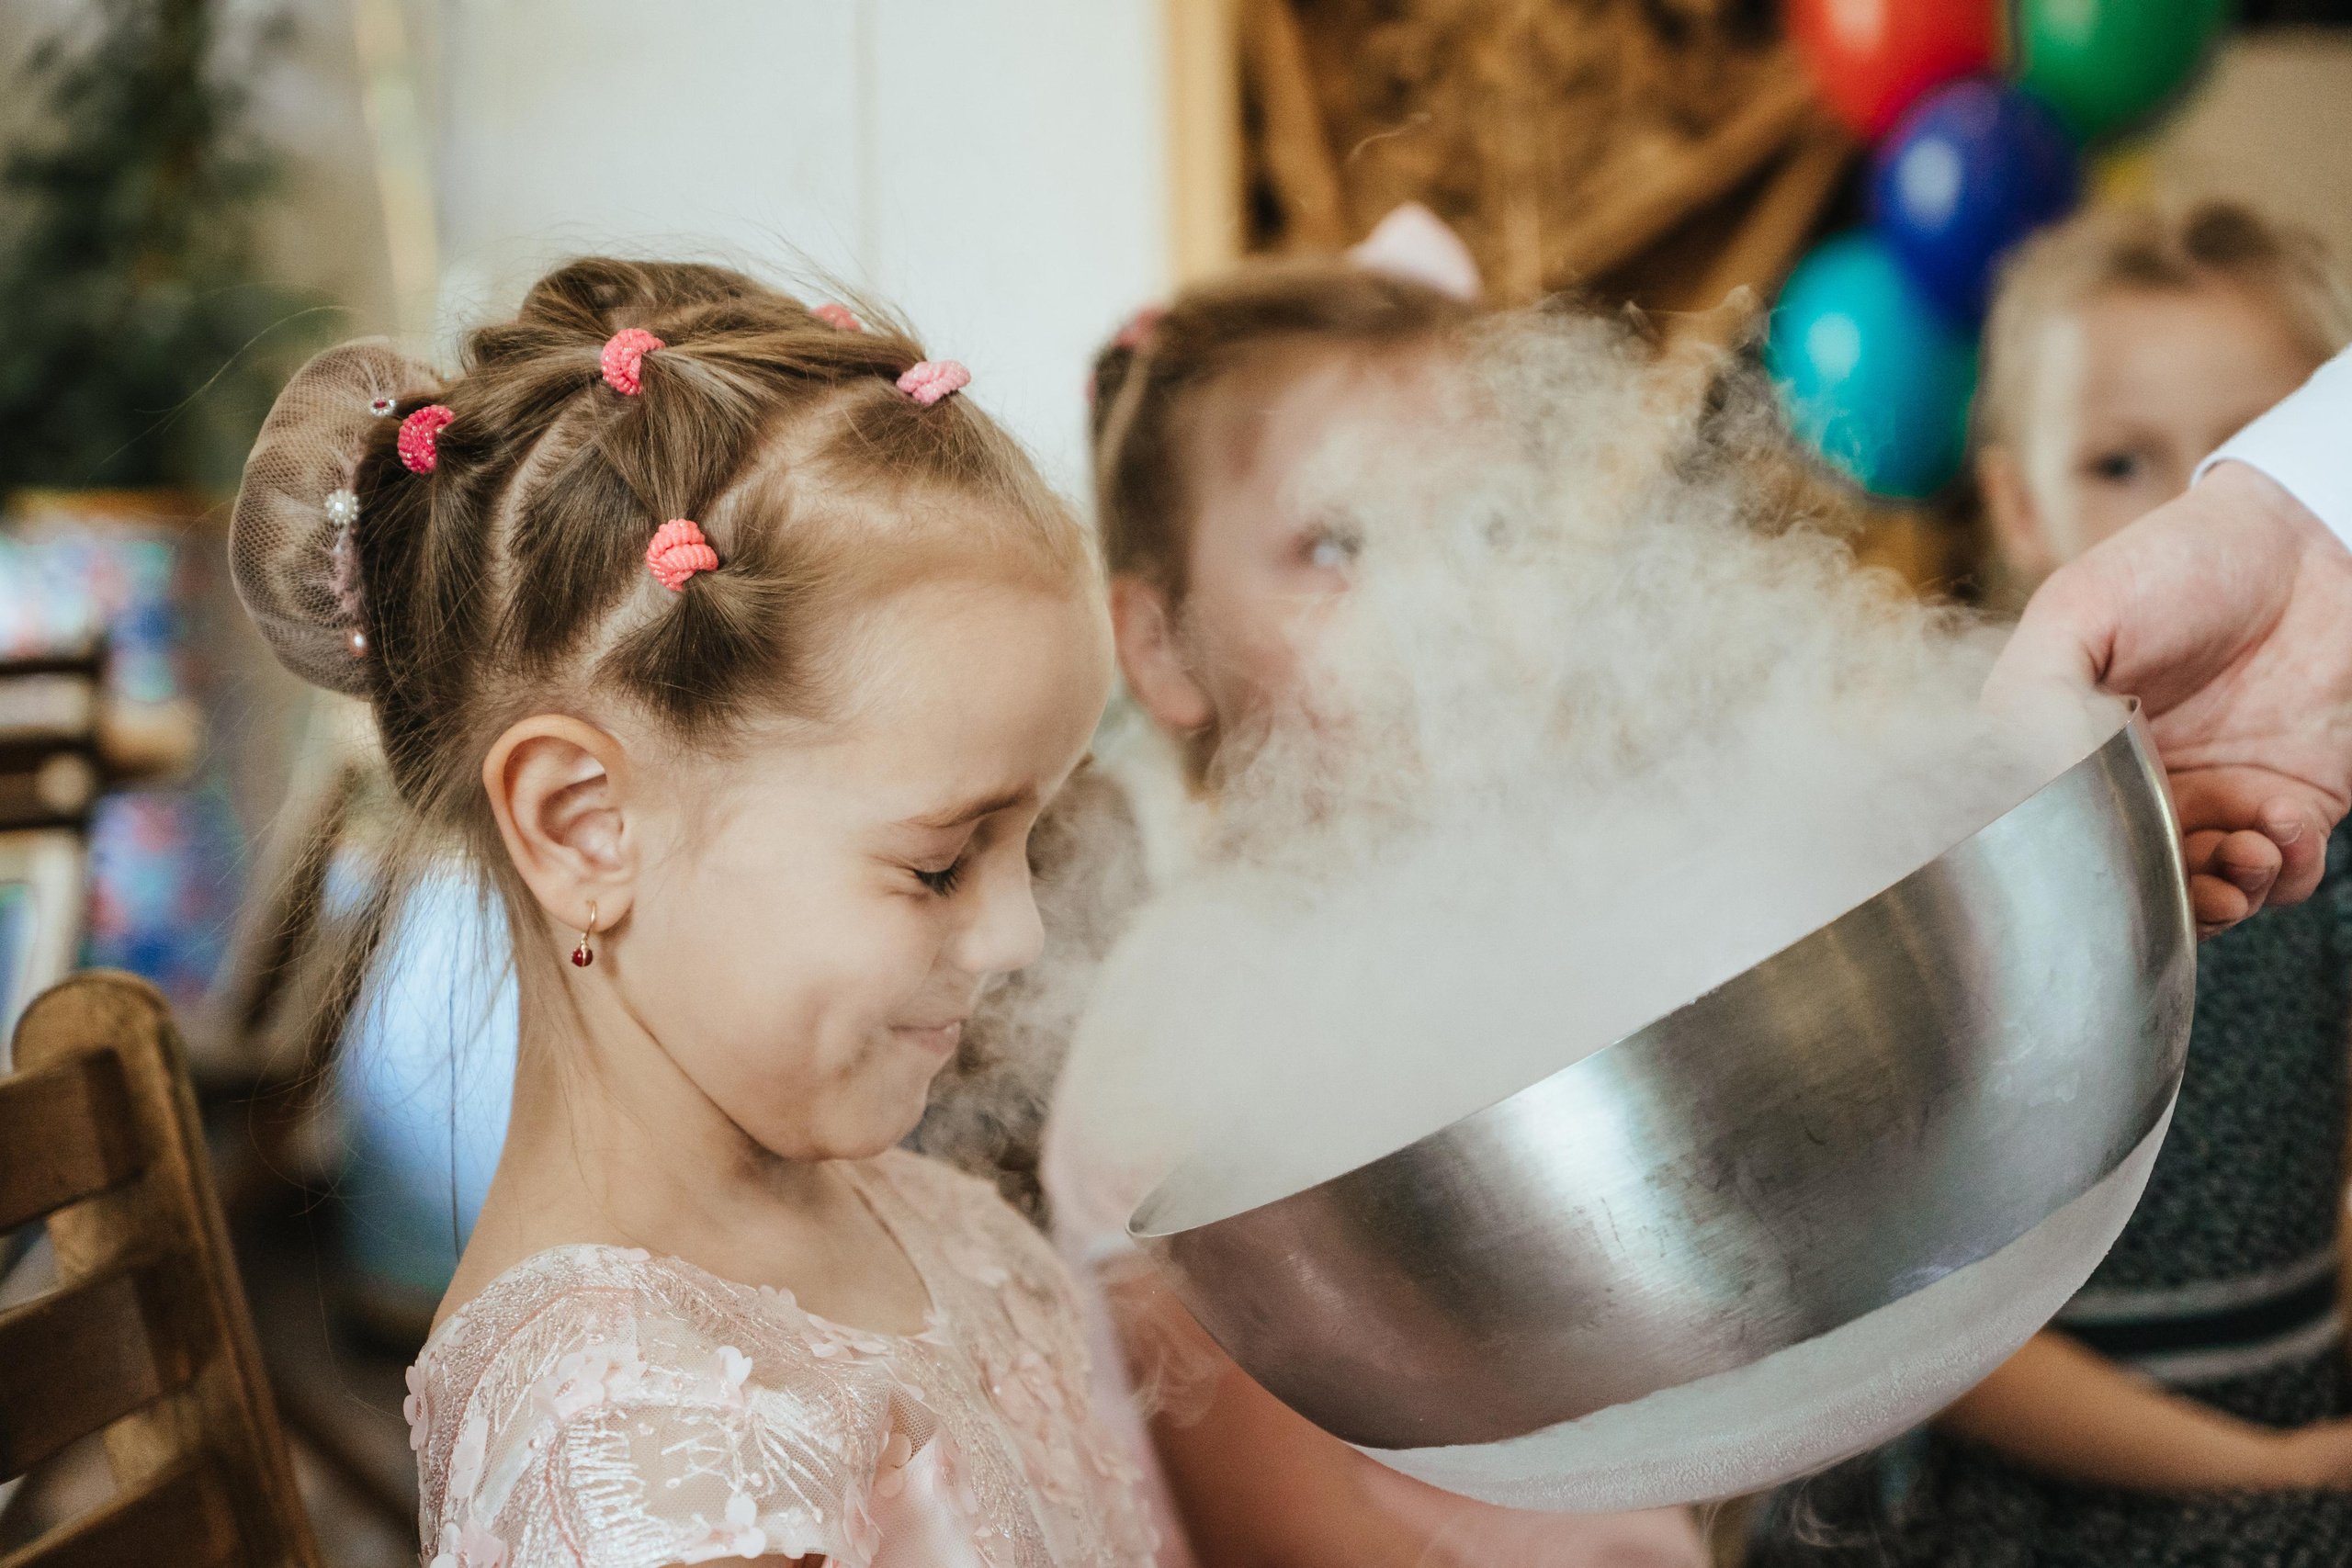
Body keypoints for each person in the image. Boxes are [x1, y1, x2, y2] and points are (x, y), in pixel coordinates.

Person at [227, 259, 1156, 1567]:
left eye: (1034, 840)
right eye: (943, 864)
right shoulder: (642, 1463)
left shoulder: (908, 1212)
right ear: (583, 826)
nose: (1021, 939)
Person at [1037, 256, 1710, 1568]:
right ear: (1165, 645)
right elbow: (1289, 1543)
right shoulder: (1193, 1044)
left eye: (1492, 532)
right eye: (1336, 548)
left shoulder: (1500, 941)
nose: (1444, 611)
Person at [1756, 197, 2352, 1566]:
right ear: (2017, 501)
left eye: (2245, 461)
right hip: (2044, 1500)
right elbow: (1914, 1325)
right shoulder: (1940, 858)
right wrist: (2271, 1472)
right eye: (2121, 460)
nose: (2178, 511)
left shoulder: (2316, 812)